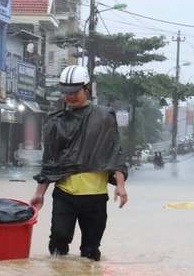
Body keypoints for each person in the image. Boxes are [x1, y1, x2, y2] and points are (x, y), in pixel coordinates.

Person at [29, 65, 129, 262]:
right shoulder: (55, 122)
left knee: (91, 251)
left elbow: (114, 152)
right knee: (59, 240)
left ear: (86, 88)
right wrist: (39, 194)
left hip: (96, 197)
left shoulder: (104, 117)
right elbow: (50, 162)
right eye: (66, 92)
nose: (70, 97)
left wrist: (120, 185)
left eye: (74, 92)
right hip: (65, 194)